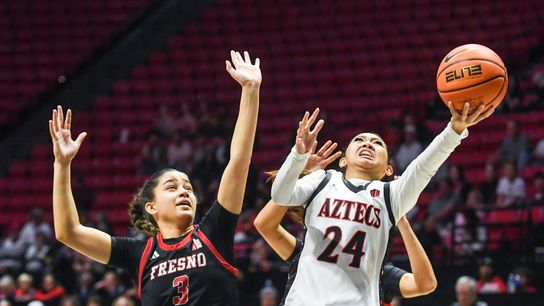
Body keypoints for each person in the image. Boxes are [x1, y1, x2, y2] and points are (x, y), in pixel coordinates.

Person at [49, 50, 262, 305]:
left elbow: (238, 161)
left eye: (188, 187)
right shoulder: (139, 254)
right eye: (172, 187)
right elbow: (68, 232)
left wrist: (250, 90)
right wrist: (61, 164)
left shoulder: (214, 231)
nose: (184, 191)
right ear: (151, 206)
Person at [270, 102, 494, 305]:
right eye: (359, 140)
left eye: (377, 143)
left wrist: (454, 131)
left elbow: (424, 167)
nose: (367, 143)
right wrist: (298, 155)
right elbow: (280, 194)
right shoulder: (323, 179)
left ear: (388, 169)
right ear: (343, 160)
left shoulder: (390, 195)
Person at [256, 141, 437, 305]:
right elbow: (264, 224)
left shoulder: (378, 271)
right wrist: (302, 176)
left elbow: (426, 284)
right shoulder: (309, 252)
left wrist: (401, 219)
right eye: (359, 140)